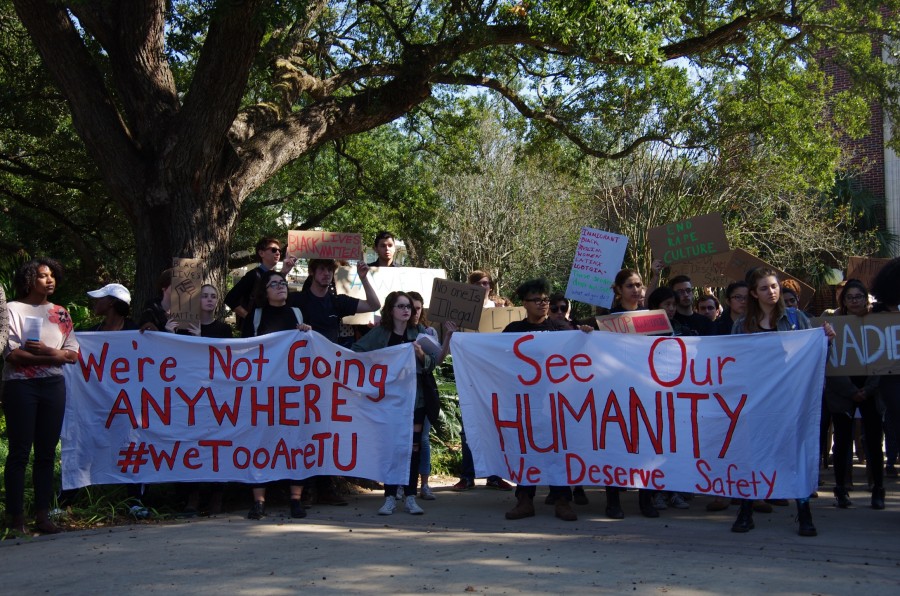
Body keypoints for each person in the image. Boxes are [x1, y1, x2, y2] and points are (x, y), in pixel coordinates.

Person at [730, 267, 835, 537]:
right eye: (764, 288)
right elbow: (732, 361)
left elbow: (813, 356)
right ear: (754, 293)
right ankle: (746, 511)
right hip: (756, 399)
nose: (772, 292)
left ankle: (803, 513)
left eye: (774, 286)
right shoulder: (742, 325)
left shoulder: (796, 318)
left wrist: (826, 340)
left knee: (794, 453)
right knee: (752, 453)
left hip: (790, 399)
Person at [288, 259, 380, 505]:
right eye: (322, 270)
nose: (327, 274)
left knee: (325, 431)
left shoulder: (337, 302)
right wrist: (285, 270)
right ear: (312, 272)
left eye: (330, 270)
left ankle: (326, 487)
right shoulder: (297, 300)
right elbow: (268, 303)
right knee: (303, 430)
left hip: (328, 376)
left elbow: (374, 304)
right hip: (300, 376)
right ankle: (305, 490)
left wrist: (363, 277)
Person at [502, 278, 592, 522]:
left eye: (545, 299)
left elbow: (578, 358)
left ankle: (562, 500)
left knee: (558, 450)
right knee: (526, 448)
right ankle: (524, 499)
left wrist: (583, 336)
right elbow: (498, 356)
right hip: (526, 400)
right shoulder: (513, 331)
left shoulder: (561, 328)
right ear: (524, 303)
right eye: (537, 300)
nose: (543, 304)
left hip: (556, 401)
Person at [2, 258, 79, 535]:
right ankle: (16, 518)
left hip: (53, 386)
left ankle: (43, 516)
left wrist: (47, 352)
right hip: (20, 386)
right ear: (29, 280)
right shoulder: (11, 309)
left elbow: (72, 354)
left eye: (52, 276)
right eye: (43, 276)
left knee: (46, 453)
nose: (50, 280)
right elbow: (12, 354)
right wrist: (56, 355)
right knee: (20, 453)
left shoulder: (60, 313)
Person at [353, 291, 435, 516]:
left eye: (408, 306)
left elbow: (431, 364)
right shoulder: (380, 333)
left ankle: (410, 496)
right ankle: (389, 496)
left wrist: (420, 355)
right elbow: (357, 353)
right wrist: (378, 360)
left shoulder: (419, 332)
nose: (406, 310)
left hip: (415, 399)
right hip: (388, 400)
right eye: (400, 306)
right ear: (391, 310)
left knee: (413, 447)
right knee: (391, 447)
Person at [242, 270, 311, 520]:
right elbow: (244, 350)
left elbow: (309, 349)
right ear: (265, 291)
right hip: (263, 392)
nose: (281, 286)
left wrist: (306, 332)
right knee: (260, 442)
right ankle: (259, 502)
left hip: (293, 392)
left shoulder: (297, 314)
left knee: (295, 443)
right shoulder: (256, 316)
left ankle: (296, 500)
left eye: (283, 283)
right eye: (274, 284)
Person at [823, 279, 885, 510]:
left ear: (866, 298)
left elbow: (884, 358)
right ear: (844, 301)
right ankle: (840, 488)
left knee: (873, 442)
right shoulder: (832, 326)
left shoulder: (879, 324)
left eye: (859, 296)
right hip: (842, 393)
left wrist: (868, 389)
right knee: (841, 442)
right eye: (850, 297)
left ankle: (878, 488)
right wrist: (850, 391)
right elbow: (830, 362)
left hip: (870, 392)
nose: (855, 301)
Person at [605, 269, 662, 519]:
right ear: (618, 289)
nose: (637, 290)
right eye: (630, 285)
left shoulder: (653, 318)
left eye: (639, 285)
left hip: (647, 390)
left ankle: (646, 499)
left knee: (648, 443)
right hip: (614, 391)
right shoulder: (606, 319)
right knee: (614, 443)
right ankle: (613, 499)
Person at [452, 270, 515, 492]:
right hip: (470, 371)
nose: (484, 286)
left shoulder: (501, 307)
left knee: (496, 423)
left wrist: (501, 315)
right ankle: (467, 475)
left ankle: (495, 475)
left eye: (487, 283)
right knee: (468, 425)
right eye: (479, 283)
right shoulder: (463, 310)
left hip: (495, 374)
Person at [224, 236, 296, 323]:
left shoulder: (275, 275)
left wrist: (284, 272)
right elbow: (230, 299)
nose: (278, 253)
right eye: (273, 250)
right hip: (254, 333)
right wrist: (250, 318)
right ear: (261, 253)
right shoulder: (253, 275)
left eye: (279, 251)